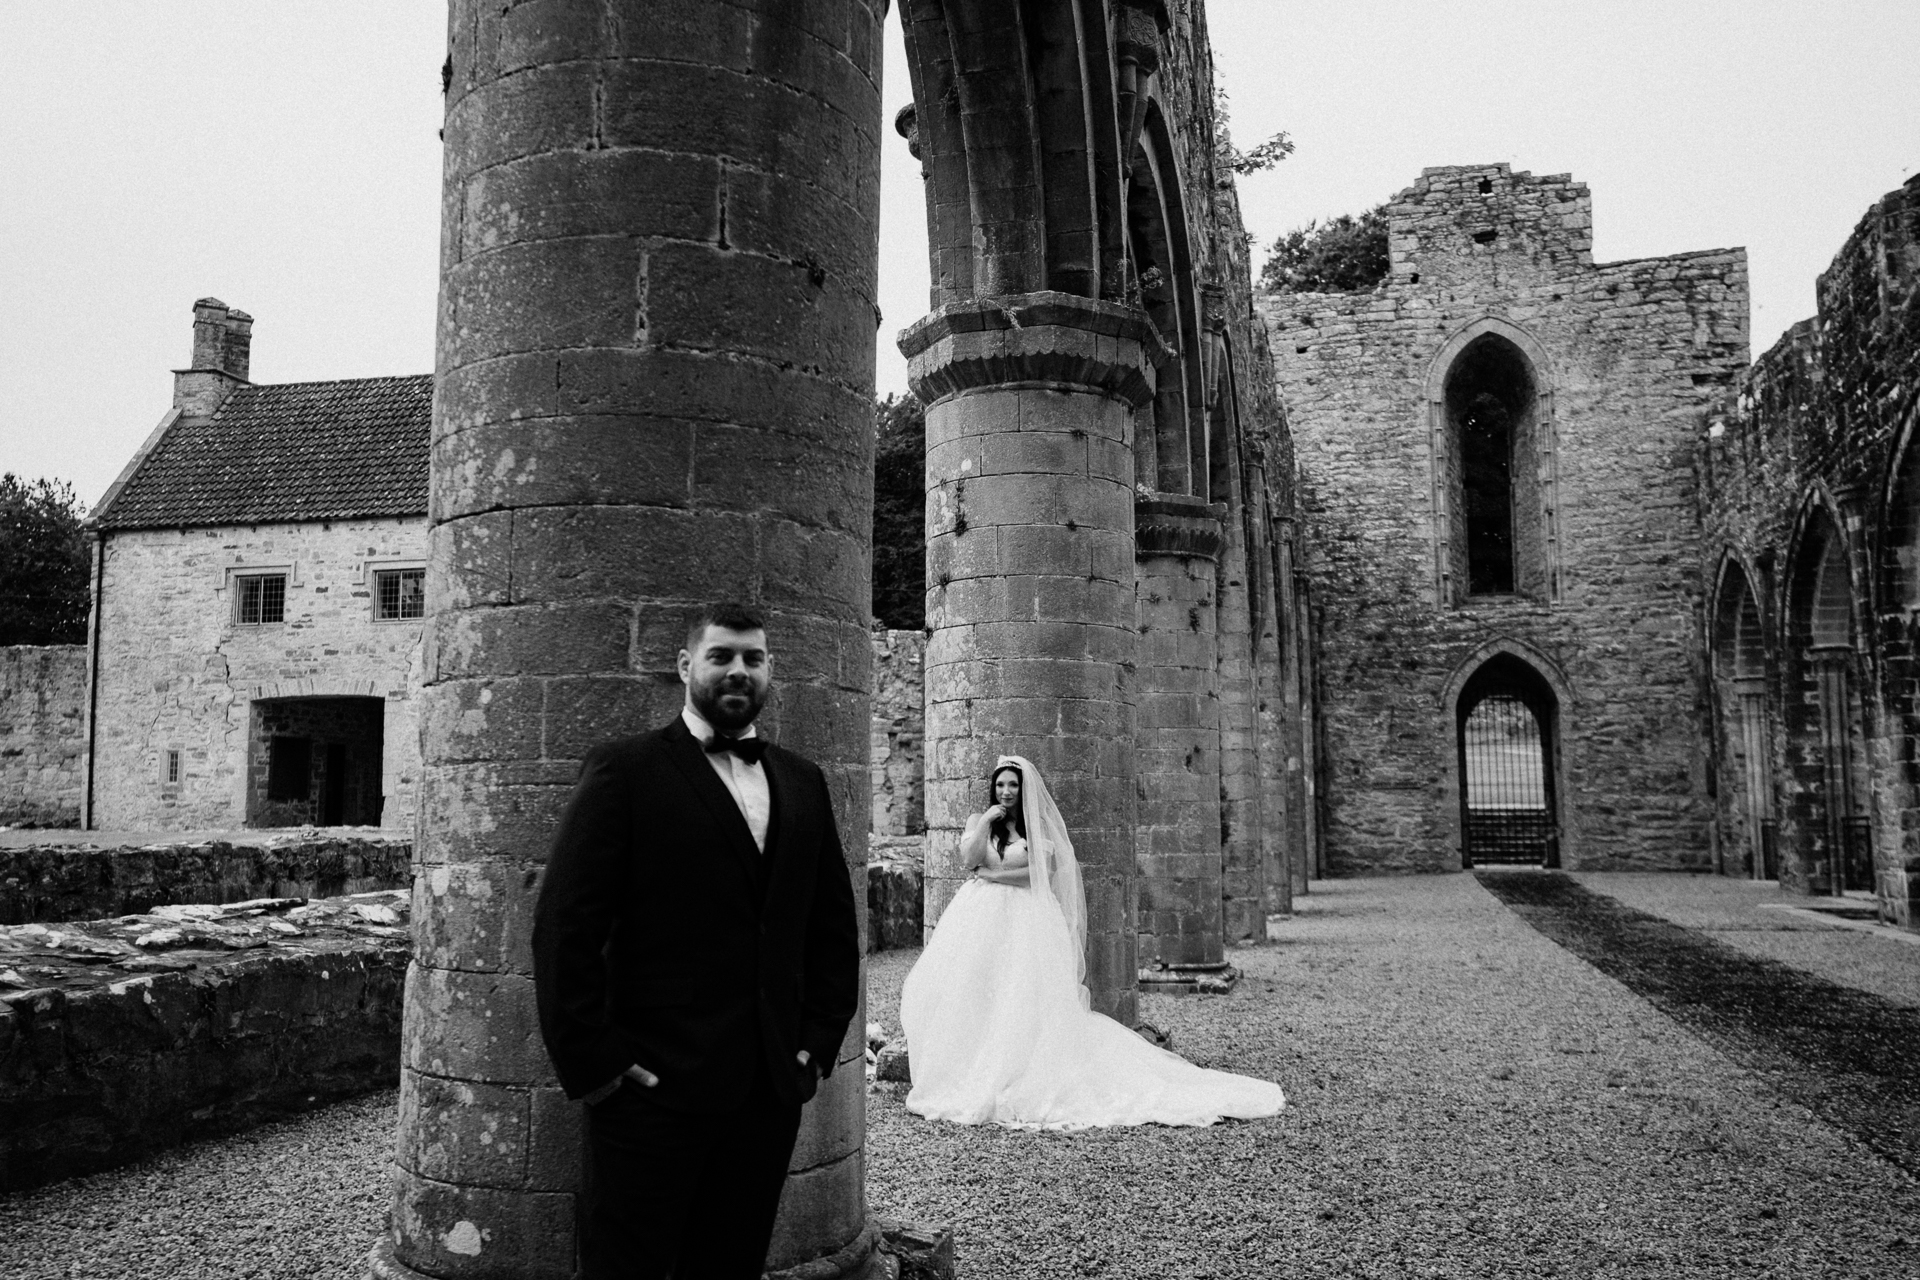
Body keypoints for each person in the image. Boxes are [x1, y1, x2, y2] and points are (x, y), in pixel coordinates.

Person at [532, 602, 860, 1280]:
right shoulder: (627, 771)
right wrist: (598, 1064)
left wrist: (816, 1044)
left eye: (753, 658)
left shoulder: (803, 781)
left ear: (771, 672)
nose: (738, 670)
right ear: (686, 666)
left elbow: (830, 926)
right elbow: (566, 923)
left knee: (730, 1265)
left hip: (767, 1093)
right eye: (721, 656)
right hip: (651, 1092)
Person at [899, 755, 1285, 1128]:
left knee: (1023, 989)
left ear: (1023, 789)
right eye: (1000, 785)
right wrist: (985, 822)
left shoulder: (1037, 830)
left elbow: (1040, 874)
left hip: (1027, 917)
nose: (1005, 792)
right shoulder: (979, 821)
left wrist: (992, 875)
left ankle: (1022, 1069)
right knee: (979, 988)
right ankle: (977, 1066)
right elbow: (969, 859)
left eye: (1012, 785)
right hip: (980, 916)